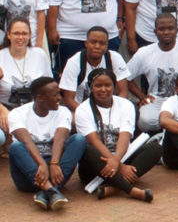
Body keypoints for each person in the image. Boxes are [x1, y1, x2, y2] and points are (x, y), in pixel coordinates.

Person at [75, 68, 162, 202]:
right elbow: (94, 142)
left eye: (107, 85)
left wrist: (117, 162)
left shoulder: (126, 105)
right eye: (98, 85)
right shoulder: (82, 109)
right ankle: (131, 190)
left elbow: (125, 136)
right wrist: (119, 166)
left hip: (122, 157)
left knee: (155, 148)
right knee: (88, 150)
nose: (103, 89)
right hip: (95, 166)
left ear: (114, 87)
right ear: (91, 87)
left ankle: (114, 188)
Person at [8, 76, 86, 210]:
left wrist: (54, 163)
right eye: (55, 95)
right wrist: (42, 163)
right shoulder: (17, 113)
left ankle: (48, 191)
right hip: (27, 176)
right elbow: (26, 141)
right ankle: (52, 190)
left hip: (55, 172)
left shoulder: (63, 112)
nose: (59, 98)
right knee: (15, 147)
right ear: (40, 98)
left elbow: (60, 138)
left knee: (79, 140)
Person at [60, 26, 129, 117]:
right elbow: (69, 100)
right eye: (93, 42)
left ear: (107, 45)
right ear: (86, 43)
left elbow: (123, 92)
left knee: (131, 112)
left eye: (102, 43)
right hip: (82, 109)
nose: (97, 46)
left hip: (110, 109)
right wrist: (91, 116)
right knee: (71, 120)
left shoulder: (115, 58)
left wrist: (112, 112)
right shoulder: (74, 62)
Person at [0, 17, 52, 112]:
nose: (20, 37)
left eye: (24, 33)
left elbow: (50, 86)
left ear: (29, 36)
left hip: (36, 109)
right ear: (8, 35)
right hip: (6, 110)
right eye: (16, 33)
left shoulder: (39, 54)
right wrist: (2, 111)